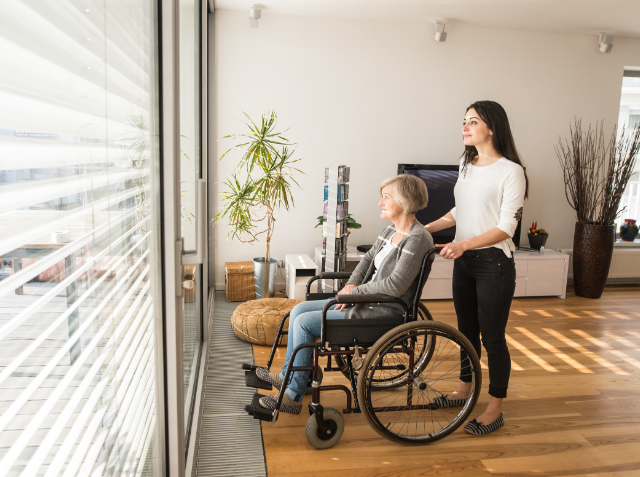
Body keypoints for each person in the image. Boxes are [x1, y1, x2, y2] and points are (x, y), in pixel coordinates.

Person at [255, 174, 434, 414]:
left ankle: (292, 394)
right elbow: (368, 259)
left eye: (386, 197)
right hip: (362, 300)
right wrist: (350, 286)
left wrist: (355, 293)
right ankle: (291, 376)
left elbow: (394, 286)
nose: (381, 202)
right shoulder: (390, 230)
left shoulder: (418, 239)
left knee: (307, 323)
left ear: (404, 201)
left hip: (382, 312)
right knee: (297, 310)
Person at [425, 100, 527, 435]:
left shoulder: (511, 171)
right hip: (465, 261)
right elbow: (461, 209)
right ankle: (463, 391)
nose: (465, 127)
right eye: (464, 121)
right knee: (466, 333)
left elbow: (506, 228)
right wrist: (427, 228)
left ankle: (495, 409)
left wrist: (464, 244)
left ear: (492, 127)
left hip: (494, 263)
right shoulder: (466, 163)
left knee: (492, 338)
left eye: (473, 121)